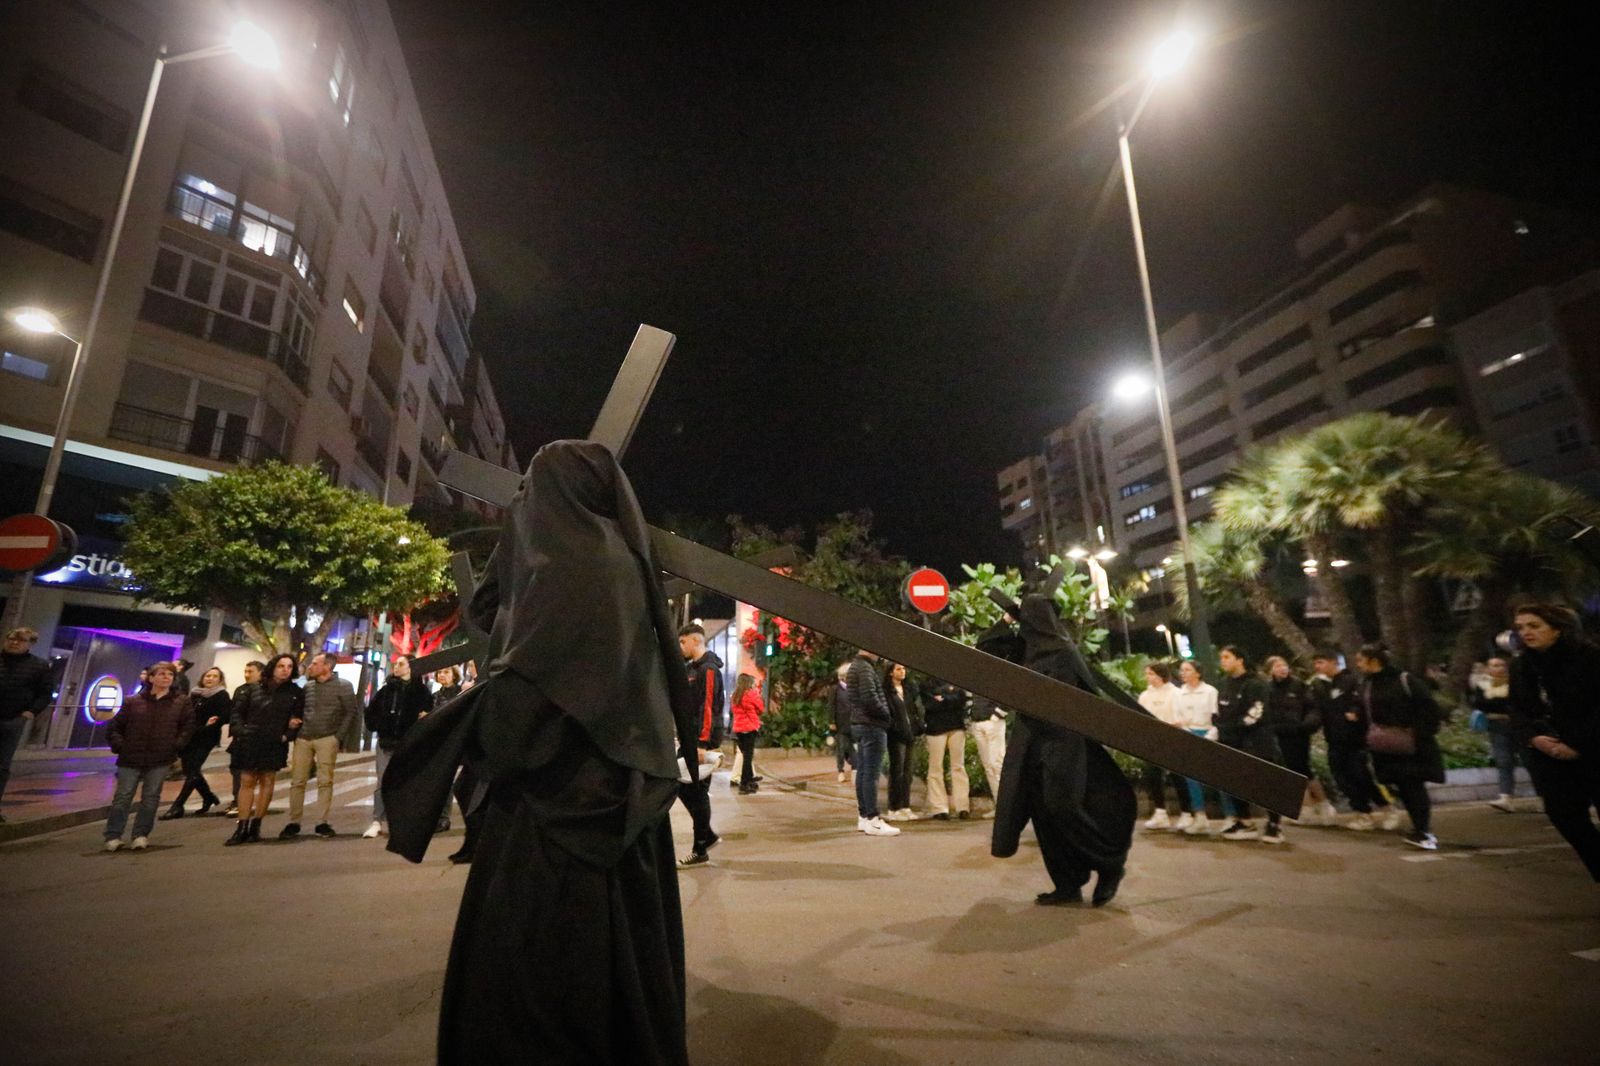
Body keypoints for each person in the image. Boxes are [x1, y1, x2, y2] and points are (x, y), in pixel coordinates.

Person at [379, 439, 695, 1064]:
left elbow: (527, 714)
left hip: (558, 814)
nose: (521, 502)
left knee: (544, 983)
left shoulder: (565, 568)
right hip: (621, 793)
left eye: (530, 489)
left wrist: (456, 733)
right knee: (624, 969)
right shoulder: (618, 562)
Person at [992, 594, 1137, 907]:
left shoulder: (1064, 650)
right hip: (1031, 743)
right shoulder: (1024, 649)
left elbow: (1085, 698)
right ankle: (1067, 883)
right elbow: (986, 651)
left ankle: (1109, 864)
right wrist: (1006, 620)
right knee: (1044, 816)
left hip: (1064, 743)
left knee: (1063, 807)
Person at [1508, 604, 1600, 881]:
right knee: (1566, 817)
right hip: (1547, 754)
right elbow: (1517, 709)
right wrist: (1533, 738)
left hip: (1593, 749)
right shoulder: (1522, 666)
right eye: (1521, 627)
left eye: (1534, 626)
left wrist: (1576, 744)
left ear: (1557, 629)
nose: (1526, 632)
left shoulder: (1589, 658)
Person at [1356, 643, 1444, 851]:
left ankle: (1423, 831)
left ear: (1373, 661)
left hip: (1411, 745)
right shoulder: (1368, 683)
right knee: (1403, 787)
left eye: (1361, 660)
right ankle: (1419, 828)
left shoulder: (1405, 680)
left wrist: (1417, 734)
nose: (1358, 664)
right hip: (1385, 746)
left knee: (1413, 786)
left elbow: (1429, 708)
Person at [103, 661, 192, 851]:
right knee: (123, 797)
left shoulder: (181, 702)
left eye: (170, 674)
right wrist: (121, 746)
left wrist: (176, 746)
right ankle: (113, 835)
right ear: (151, 678)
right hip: (131, 756)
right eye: (161, 674)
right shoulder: (132, 701)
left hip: (160, 756)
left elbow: (187, 727)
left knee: (151, 797)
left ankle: (140, 834)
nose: (166, 677)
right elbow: (115, 727)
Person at [1308, 649, 1396, 832]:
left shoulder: (1351, 681)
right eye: (1315, 663)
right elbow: (1318, 710)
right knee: (1342, 778)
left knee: (1361, 775)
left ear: (1333, 662)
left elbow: (1361, 702)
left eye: (1321, 662)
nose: (1317, 667)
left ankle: (1387, 808)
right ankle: (1362, 813)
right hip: (1334, 740)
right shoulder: (1320, 686)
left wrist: (1355, 713)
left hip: (1355, 739)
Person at [281, 651, 361, 839]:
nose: (311, 666)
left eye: (315, 663)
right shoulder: (307, 687)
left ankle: (321, 822)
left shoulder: (343, 686)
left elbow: (351, 712)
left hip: (327, 738)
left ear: (327, 667)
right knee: (297, 781)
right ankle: (294, 822)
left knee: (325, 781)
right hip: (304, 737)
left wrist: (338, 737)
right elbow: (299, 709)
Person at [226, 653, 303, 845]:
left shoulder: (295, 692)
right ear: (272, 667)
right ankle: (241, 826)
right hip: (250, 739)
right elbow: (237, 713)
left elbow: (297, 718)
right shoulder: (254, 688)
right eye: (281, 666)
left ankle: (256, 825)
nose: (285, 670)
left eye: (289, 667)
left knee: (268, 780)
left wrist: (287, 735)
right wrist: (241, 731)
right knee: (247, 780)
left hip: (275, 740)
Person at [1215, 646, 1285, 844]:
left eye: (1227, 657)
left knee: (1266, 782)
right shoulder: (1224, 684)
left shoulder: (1256, 684)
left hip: (1257, 741)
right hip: (1231, 742)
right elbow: (1220, 712)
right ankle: (1245, 821)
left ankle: (1274, 824)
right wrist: (1221, 728)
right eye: (1222, 657)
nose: (1223, 661)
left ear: (1240, 660)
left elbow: (1256, 713)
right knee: (1235, 781)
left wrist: (1234, 726)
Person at [362, 654, 432, 839]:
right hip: (386, 741)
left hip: (408, 742)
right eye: (396, 664)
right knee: (382, 781)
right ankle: (377, 820)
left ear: (411, 668)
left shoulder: (421, 691)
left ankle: (402, 821)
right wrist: (379, 725)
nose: (397, 667)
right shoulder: (386, 690)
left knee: (405, 782)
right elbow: (371, 713)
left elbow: (429, 712)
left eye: (401, 664)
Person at [1265, 656, 1338, 826]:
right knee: (1292, 771)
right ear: (1270, 670)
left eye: (1284, 664)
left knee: (1302, 769)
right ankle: (1307, 807)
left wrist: (1306, 725)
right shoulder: (1268, 689)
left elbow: (1311, 707)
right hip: (1279, 734)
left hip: (1298, 734)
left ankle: (1322, 804)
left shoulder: (1298, 685)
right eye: (1277, 666)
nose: (1282, 668)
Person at [676, 622, 725, 865]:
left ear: (696, 640)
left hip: (700, 741)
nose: (680, 646)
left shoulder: (708, 669)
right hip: (690, 738)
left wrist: (702, 744)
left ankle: (701, 847)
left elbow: (707, 708)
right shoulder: (691, 668)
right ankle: (706, 838)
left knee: (697, 791)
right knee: (683, 785)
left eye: (683, 642)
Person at [1, 627, 54, 822]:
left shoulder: (39, 666)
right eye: (11, 638)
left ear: (30, 644)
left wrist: (30, 713)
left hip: (14, 719)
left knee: (2, 765)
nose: (14, 642)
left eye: (20, 640)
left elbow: (45, 693)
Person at [161, 666, 229, 819]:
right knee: (190, 770)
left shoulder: (221, 695)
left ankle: (178, 805)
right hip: (190, 736)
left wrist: (215, 721)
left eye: (214, 676)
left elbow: (226, 715)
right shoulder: (194, 693)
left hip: (206, 737)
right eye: (207, 675)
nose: (210, 678)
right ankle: (208, 796)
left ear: (220, 680)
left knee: (192, 770)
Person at [846, 647, 900, 836]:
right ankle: (873, 819)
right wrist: (886, 714)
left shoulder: (855, 666)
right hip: (871, 725)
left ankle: (864, 817)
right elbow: (870, 697)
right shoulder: (865, 668)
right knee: (871, 774)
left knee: (863, 772)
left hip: (860, 725)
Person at [970, 619, 1021, 808]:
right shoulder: (976, 673)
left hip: (992, 721)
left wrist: (997, 715)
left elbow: (1010, 694)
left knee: (997, 765)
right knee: (989, 767)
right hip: (978, 720)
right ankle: (1000, 806)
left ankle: (1006, 807)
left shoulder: (998, 670)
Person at [1136, 662, 1193, 831]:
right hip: (1153, 741)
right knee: (1152, 775)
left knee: (1177, 777)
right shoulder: (1145, 695)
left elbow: (1181, 717)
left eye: (1152, 674)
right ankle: (1160, 813)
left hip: (1172, 739)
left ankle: (1187, 813)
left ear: (1161, 675)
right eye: (1147, 674)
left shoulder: (1175, 693)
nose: (1149, 677)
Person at [433, 666, 480, 863]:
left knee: (468, 792)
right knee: (464, 790)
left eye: (472, 664)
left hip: (482, 749)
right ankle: (472, 843)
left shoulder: (478, 684)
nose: (470, 666)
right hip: (473, 748)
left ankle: (474, 844)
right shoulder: (472, 685)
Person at [1171, 659, 1219, 836]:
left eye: (1188, 670)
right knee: (1191, 778)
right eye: (1182, 670)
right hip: (1188, 735)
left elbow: (1216, 717)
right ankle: (1199, 816)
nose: (1183, 673)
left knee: (1217, 777)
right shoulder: (1178, 694)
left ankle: (1232, 816)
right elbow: (1178, 716)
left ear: (1198, 673)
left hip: (1207, 734)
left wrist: (1209, 736)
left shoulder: (1210, 691)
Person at [1473, 656, 1521, 812]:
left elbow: (1517, 703)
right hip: (1496, 725)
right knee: (1503, 760)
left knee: (1531, 760)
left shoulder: (1515, 683)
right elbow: (1481, 704)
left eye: (1501, 665)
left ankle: (1544, 797)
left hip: (1519, 724)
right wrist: (1502, 704)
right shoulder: (1483, 684)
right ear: (1488, 668)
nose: (1498, 668)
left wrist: (1495, 702)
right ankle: (1506, 797)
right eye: (1494, 665)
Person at [921, 678, 969, 821]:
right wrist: (950, 697)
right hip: (935, 729)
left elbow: (962, 700)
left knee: (958, 767)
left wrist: (943, 699)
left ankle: (963, 807)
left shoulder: (955, 677)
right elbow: (930, 704)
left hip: (957, 727)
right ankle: (939, 808)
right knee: (935, 769)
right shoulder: (926, 682)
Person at [224, 660, 263, 818]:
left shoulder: (265, 690)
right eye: (245, 671)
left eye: (250, 671)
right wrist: (237, 729)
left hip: (256, 736)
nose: (247, 675)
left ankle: (245, 803)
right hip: (240, 736)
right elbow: (235, 712)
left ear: (260, 672)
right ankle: (237, 800)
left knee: (250, 773)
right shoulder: (240, 690)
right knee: (236, 769)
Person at [882, 662, 920, 820]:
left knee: (907, 773)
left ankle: (905, 805)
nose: (902, 671)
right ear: (891, 672)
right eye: (898, 669)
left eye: (904, 668)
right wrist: (895, 727)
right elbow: (888, 713)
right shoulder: (887, 692)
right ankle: (893, 807)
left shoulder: (908, 689)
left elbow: (913, 710)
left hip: (910, 734)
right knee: (896, 771)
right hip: (896, 736)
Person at [730, 672, 765, 795]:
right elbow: (761, 708)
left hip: (739, 729)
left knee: (745, 756)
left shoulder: (735, 696)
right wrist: (757, 694)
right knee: (748, 757)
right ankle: (744, 783)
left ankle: (749, 779)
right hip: (750, 728)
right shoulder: (751, 694)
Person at [830, 661, 855, 782]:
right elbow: (831, 706)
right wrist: (831, 721)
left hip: (853, 722)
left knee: (852, 748)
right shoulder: (835, 689)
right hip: (840, 723)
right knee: (841, 747)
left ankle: (855, 767)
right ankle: (840, 770)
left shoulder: (854, 689)